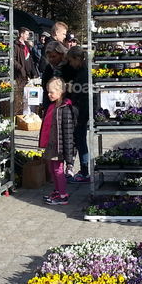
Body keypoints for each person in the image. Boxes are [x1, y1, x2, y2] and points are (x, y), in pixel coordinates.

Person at [39, 77, 76, 205]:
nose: (49, 94)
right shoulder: (52, 106)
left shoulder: (65, 109)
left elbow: (68, 132)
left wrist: (69, 155)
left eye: (51, 92)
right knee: (52, 168)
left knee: (58, 170)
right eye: (48, 92)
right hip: (52, 144)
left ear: (60, 92)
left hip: (59, 146)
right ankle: (57, 190)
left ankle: (62, 194)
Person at [62, 46, 91, 182]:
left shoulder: (83, 73)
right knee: (80, 140)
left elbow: (81, 94)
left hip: (81, 112)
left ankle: (85, 171)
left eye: (71, 61)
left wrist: (70, 90)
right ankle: (84, 170)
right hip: (81, 110)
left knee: (81, 140)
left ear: (77, 59)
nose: (71, 64)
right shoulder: (82, 71)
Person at [39, 41, 68, 119]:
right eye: (49, 57)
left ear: (61, 55)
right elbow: (44, 85)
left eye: (54, 56)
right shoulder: (49, 68)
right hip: (50, 103)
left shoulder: (68, 67)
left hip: (65, 104)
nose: (51, 59)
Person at [13, 27, 38, 116]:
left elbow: (30, 59)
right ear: (21, 34)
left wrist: (34, 72)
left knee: (29, 95)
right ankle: (19, 114)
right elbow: (13, 60)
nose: (28, 36)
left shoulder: (27, 45)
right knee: (20, 95)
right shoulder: (15, 45)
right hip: (20, 75)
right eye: (26, 34)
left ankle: (29, 113)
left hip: (28, 73)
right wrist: (20, 68)